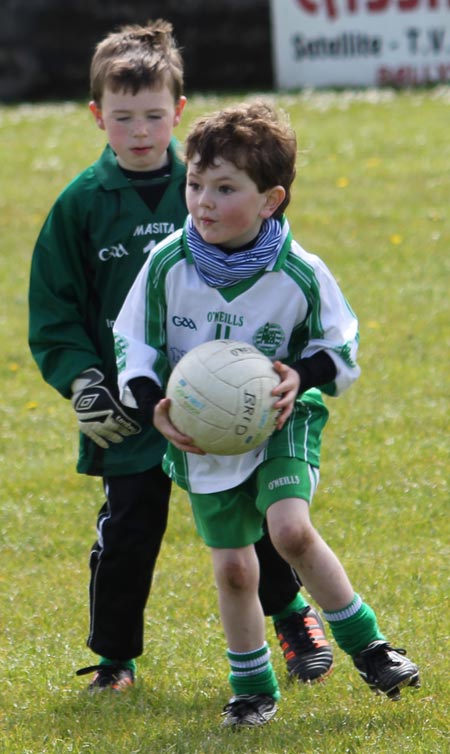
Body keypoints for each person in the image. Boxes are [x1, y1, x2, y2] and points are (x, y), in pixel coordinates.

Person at [28, 21, 333, 693]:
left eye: (155, 116)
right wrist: (83, 383)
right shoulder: (79, 206)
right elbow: (53, 313)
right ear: (96, 115)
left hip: (228, 397)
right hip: (131, 405)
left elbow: (273, 277)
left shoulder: (212, 183)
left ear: (180, 112)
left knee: (251, 519)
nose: (140, 131)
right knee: (128, 528)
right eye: (123, 117)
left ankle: (292, 620)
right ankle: (114, 660)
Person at [113, 101, 420, 726]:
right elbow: (132, 343)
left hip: (282, 419)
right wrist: (154, 407)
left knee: (289, 531)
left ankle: (371, 648)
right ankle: (252, 688)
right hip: (204, 436)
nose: (202, 201)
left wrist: (299, 375)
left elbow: (342, 351)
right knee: (231, 568)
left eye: (225, 188)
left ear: (270, 200)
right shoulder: (168, 264)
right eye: (195, 184)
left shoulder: (299, 274)